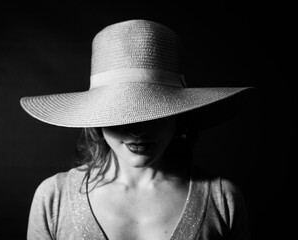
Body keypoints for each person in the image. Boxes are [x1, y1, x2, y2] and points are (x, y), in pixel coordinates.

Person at [21, 19, 251, 240]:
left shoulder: (222, 199)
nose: (138, 131)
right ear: (96, 119)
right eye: (121, 114)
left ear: (179, 115)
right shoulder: (54, 197)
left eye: (154, 113)